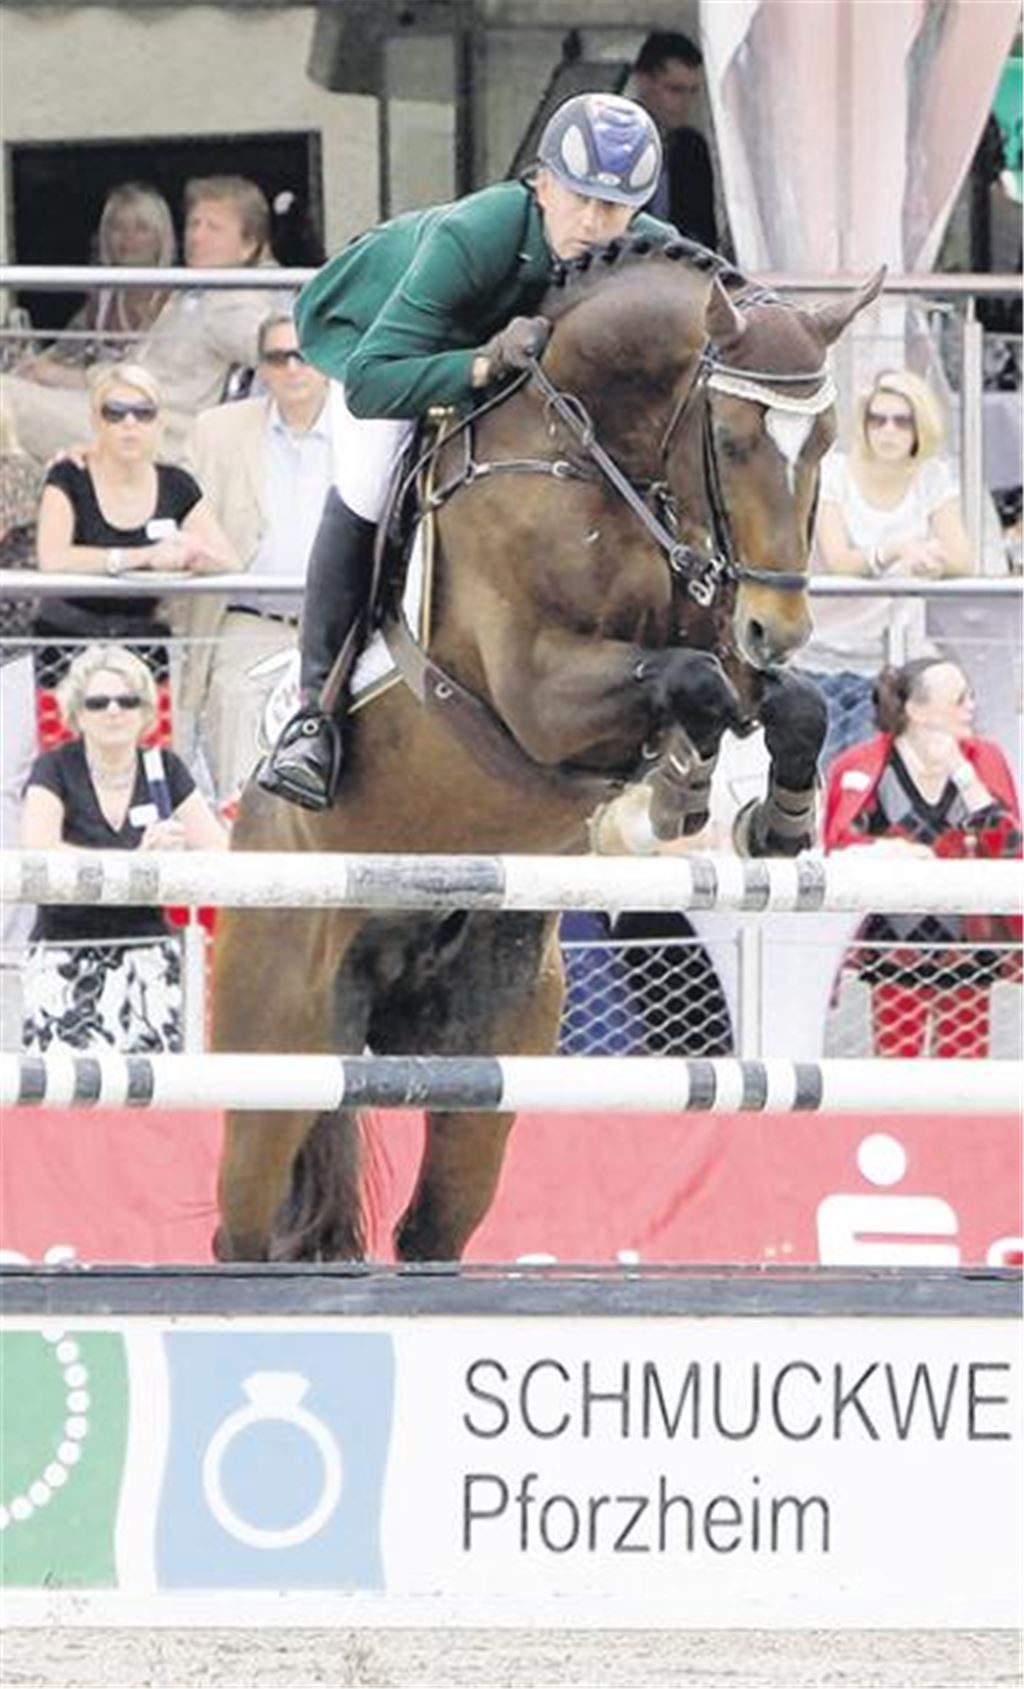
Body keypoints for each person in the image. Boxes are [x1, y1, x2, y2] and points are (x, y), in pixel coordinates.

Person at [260, 91, 713, 812]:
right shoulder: (476, 233)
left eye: (616, 208)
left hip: (509, 357)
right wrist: (476, 366)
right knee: (369, 482)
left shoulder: (648, 244)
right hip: (387, 340)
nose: (597, 226)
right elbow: (375, 383)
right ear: (543, 183)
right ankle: (313, 710)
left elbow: (724, 306)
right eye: (582, 200)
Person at [20, 643, 227, 1053]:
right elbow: (38, 852)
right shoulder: (55, 768)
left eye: (127, 701)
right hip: (65, 955)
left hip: (148, 956)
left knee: (154, 1101)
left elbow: (219, 855)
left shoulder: (166, 769)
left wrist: (178, 852)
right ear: (78, 713)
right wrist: (134, 863)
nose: (113, 712)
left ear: (146, 710)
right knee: (67, 1099)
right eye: (98, 703)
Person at [7, 175, 283, 466]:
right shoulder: (195, 294)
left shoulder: (234, 302)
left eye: (213, 228)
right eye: (194, 224)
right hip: (119, 407)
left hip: (154, 432)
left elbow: (279, 350)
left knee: (6, 398)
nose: (197, 236)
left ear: (248, 245)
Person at [822, 657, 1021, 1059]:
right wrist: (886, 851)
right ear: (916, 709)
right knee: (896, 1063)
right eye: (959, 699)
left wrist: (963, 776)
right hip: (894, 945)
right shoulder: (862, 766)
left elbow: (1012, 847)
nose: (971, 707)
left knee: (964, 1071)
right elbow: (838, 847)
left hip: (967, 947)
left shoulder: (985, 760)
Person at [176, 312, 332, 800]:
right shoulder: (218, 430)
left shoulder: (366, 427)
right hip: (249, 622)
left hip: (343, 628)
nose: (291, 368)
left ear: (326, 360)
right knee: (239, 774)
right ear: (260, 368)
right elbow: (171, 502)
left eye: (302, 355)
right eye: (277, 357)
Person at [799, 368, 973, 769]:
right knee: (820, 774)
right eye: (877, 419)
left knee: (870, 773)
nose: (888, 430)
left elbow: (961, 557)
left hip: (886, 659)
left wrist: (929, 558)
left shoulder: (932, 477)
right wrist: (894, 552)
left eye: (901, 420)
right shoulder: (836, 473)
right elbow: (840, 559)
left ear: (919, 425)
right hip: (820, 652)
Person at [33, 360, 237, 689]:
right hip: (65, 643)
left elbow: (228, 561)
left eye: (144, 412)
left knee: (151, 743)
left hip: (145, 645)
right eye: (115, 412)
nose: (130, 422)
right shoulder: (69, 474)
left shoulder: (176, 484)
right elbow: (53, 559)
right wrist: (144, 557)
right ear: (96, 420)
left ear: (160, 422)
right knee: (64, 742)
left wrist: (189, 554)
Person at [15, 182, 176, 386]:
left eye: (141, 228)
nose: (128, 238)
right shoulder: (102, 302)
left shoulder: (178, 300)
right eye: (118, 227)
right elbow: (61, 352)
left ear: (161, 238)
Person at [629, 30, 718, 249]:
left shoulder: (691, 147)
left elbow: (703, 229)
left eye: (692, 92)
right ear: (643, 82)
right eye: (675, 90)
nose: (685, 102)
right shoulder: (613, 141)